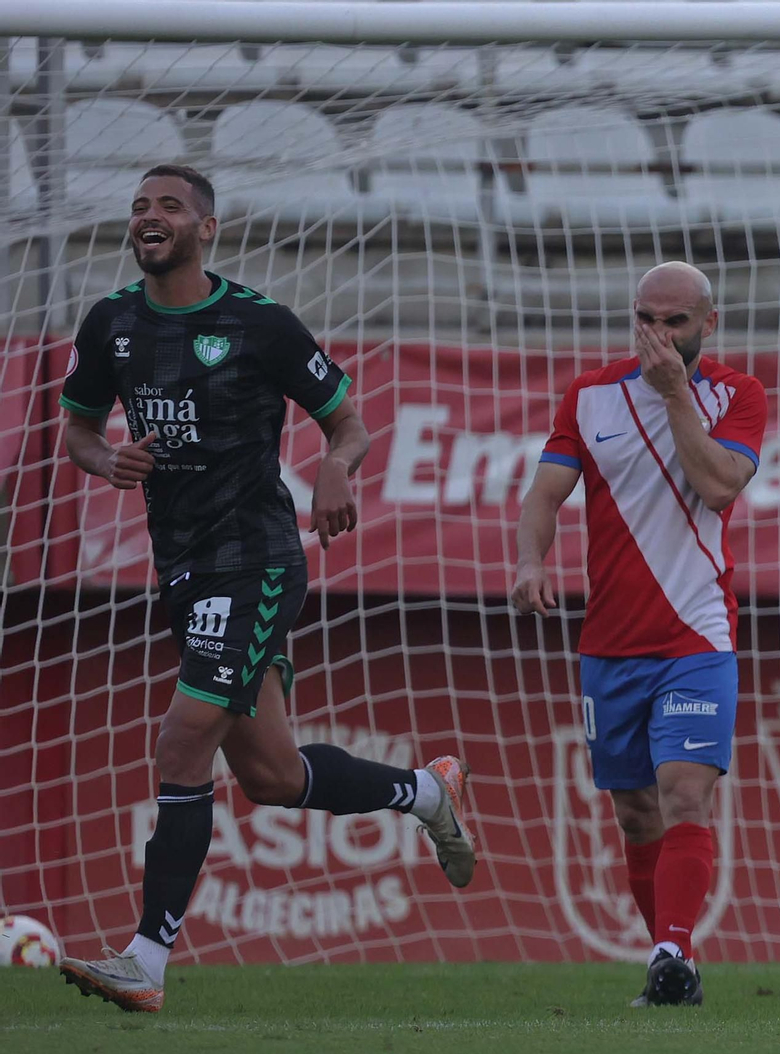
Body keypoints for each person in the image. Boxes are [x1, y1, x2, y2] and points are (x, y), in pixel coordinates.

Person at [56, 165, 474, 1013]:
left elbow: (349, 422)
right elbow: (78, 429)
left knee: (181, 746)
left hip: (259, 562)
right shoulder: (112, 325)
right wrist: (109, 462)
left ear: (207, 228)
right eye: (140, 206)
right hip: (182, 566)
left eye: (169, 206)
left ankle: (146, 960)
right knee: (275, 778)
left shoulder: (259, 324)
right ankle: (429, 793)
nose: (150, 217)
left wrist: (333, 469)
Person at [512, 261, 767, 1008]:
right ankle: (671, 970)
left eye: (675, 321)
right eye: (645, 319)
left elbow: (719, 484)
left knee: (684, 793)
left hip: (697, 635)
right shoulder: (589, 395)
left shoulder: (737, 395)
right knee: (632, 810)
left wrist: (674, 397)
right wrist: (531, 559)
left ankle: (671, 951)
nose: (657, 334)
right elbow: (546, 491)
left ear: (708, 325)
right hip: (610, 644)